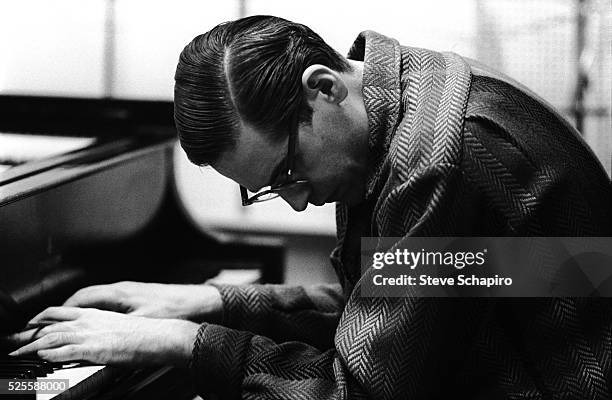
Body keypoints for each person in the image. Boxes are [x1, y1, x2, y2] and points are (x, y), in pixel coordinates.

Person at [6, 15, 612, 399]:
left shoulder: (433, 161)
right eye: (270, 187)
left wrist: (182, 343)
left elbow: (361, 388)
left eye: (288, 172)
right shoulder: (407, 98)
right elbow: (399, 306)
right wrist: (211, 302)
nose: (296, 203)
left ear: (323, 88)